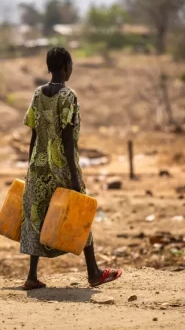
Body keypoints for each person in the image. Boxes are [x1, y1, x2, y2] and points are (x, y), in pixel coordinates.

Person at [21, 47, 122, 290]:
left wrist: (30, 166)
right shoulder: (69, 96)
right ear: (66, 67)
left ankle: (32, 277)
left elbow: (34, 135)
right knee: (79, 213)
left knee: (37, 217)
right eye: (71, 65)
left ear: (49, 67)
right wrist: (75, 179)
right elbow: (67, 140)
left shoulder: (37, 94)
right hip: (60, 167)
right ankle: (93, 272)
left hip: (38, 166)